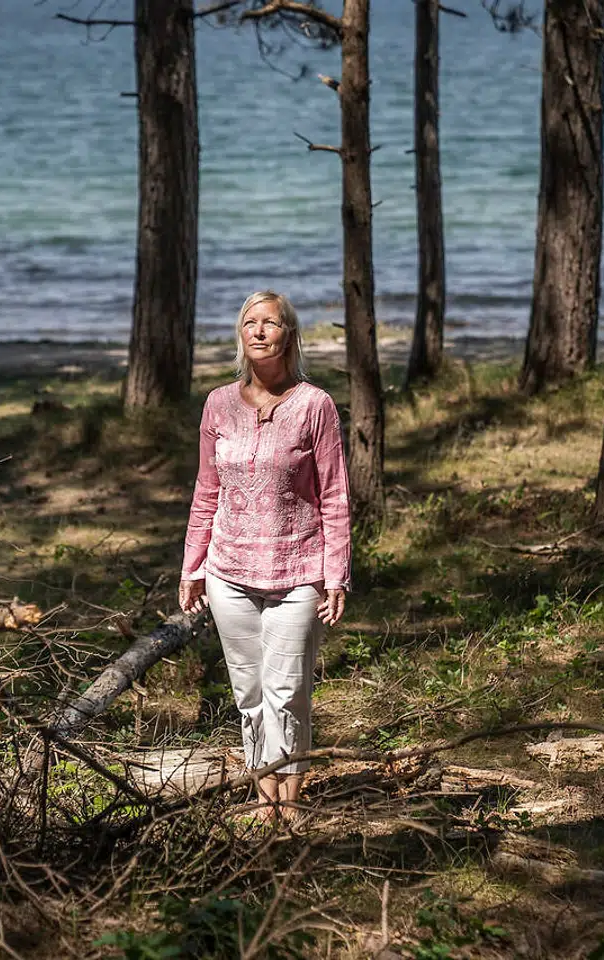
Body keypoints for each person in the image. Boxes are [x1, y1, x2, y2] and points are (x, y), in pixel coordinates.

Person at [179, 290, 351, 823]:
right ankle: (262, 799)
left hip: (298, 572)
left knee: (287, 691)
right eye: (249, 323)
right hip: (228, 572)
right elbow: (207, 492)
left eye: (269, 323)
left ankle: (292, 805)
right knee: (248, 691)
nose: (258, 331)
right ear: (240, 335)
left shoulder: (314, 405)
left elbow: (335, 495)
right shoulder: (217, 404)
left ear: (288, 335)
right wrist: (192, 568)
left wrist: (336, 575)